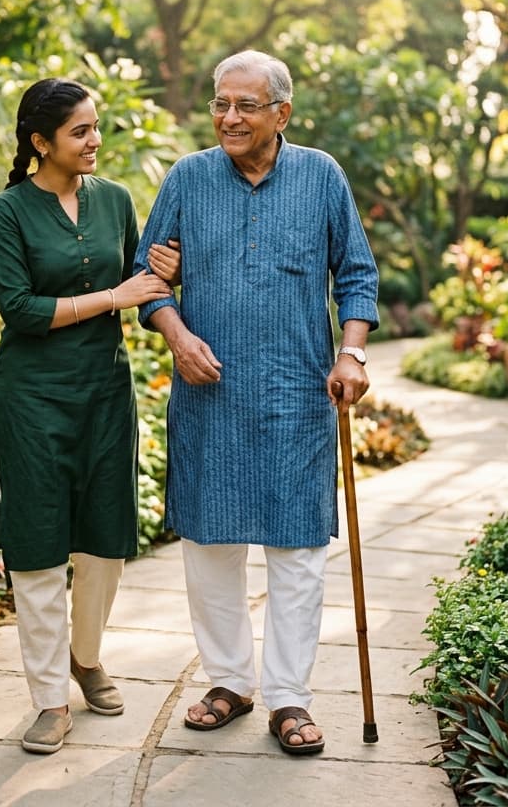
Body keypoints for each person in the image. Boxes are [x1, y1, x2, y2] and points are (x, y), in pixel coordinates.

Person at [133, 50, 379, 755]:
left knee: (297, 547)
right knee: (210, 542)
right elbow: (146, 275)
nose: (229, 118)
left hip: (298, 392)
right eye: (220, 104)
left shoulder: (321, 176)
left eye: (245, 106)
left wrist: (351, 352)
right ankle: (229, 682)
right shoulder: (187, 178)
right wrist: (175, 333)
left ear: (282, 114)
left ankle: (290, 698)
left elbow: (356, 275)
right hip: (209, 394)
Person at [0, 78, 180, 755]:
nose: (95, 140)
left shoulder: (117, 200)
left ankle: (86, 658)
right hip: (31, 399)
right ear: (41, 142)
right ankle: (47, 699)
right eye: (80, 131)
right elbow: (22, 312)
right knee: (36, 547)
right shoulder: (9, 212)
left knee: (103, 542)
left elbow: (140, 287)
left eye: (97, 127)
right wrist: (115, 295)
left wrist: (160, 277)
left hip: (104, 392)